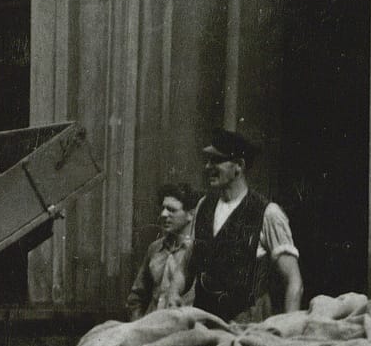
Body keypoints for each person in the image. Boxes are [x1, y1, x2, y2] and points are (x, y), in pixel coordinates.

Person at [182, 129, 303, 323]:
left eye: (216, 161)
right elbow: (186, 267)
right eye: (207, 160)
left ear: (239, 166)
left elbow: (294, 282)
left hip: (247, 326)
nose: (207, 167)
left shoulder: (268, 213)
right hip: (203, 324)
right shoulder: (203, 206)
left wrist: (288, 330)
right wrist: (173, 294)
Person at [127, 182, 197, 317]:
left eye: (171, 210)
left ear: (190, 215)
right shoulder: (154, 248)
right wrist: (138, 326)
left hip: (183, 331)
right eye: (163, 208)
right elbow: (136, 298)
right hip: (150, 329)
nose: (164, 214)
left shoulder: (198, 252)